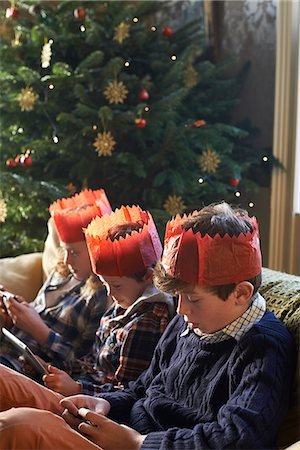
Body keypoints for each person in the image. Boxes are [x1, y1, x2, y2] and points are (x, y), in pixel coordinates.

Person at [0, 202, 296, 450]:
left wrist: (138, 442)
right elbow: (142, 388)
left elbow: (237, 440)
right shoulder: (190, 321)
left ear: (241, 293)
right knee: (5, 380)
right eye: (178, 297)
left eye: (192, 299)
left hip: (140, 444)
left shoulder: (263, 348)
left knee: (22, 427)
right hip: (122, 428)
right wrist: (104, 403)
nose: (180, 310)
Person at [39, 204, 174, 395]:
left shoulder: (147, 321)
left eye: (116, 285)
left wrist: (77, 389)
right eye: (105, 284)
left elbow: (126, 392)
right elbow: (94, 363)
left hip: (97, 404)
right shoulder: (123, 302)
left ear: (147, 276)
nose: (109, 293)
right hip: (83, 388)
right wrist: (55, 368)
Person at [0, 188, 112, 379]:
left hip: (19, 367)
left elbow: (84, 364)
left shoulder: (101, 296)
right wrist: (13, 313)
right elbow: (36, 312)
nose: (68, 261)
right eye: (64, 250)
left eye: (75, 252)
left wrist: (39, 330)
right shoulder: (62, 272)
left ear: (97, 250)